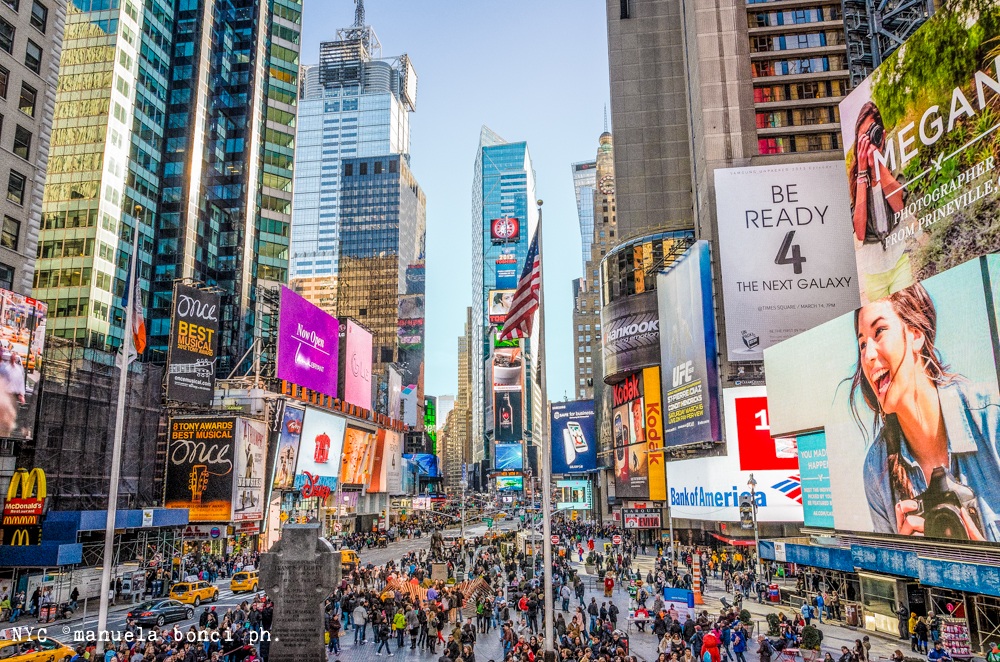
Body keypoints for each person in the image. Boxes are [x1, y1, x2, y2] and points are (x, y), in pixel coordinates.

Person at [853, 283, 1000, 541]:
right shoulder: (877, 471)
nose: (868, 356)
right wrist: (906, 558)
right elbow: (894, 579)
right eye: (863, 344)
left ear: (916, 334)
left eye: (879, 332)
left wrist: (984, 559)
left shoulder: (992, 419)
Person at [848, 99, 911, 302]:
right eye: (862, 137)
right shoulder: (854, 177)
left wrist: (877, 164)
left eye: (870, 133)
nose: (867, 141)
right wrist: (863, 173)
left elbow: (899, 206)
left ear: (881, 133)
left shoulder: (892, 161)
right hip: (874, 271)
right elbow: (859, 232)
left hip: (899, 258)